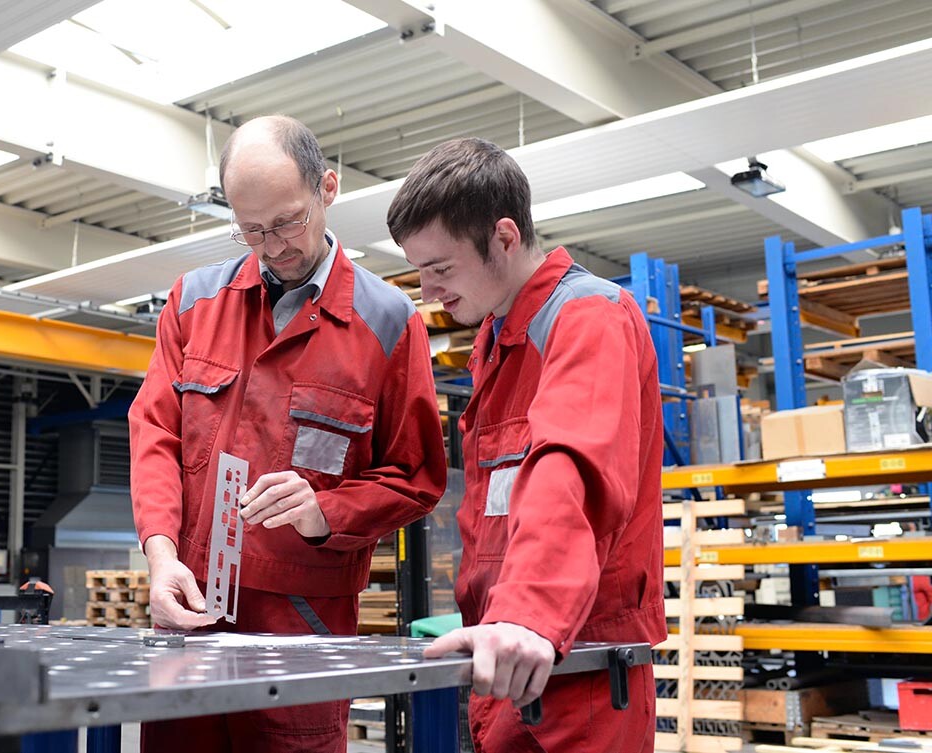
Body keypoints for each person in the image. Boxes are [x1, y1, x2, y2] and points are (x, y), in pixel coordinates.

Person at [128, 115, 447, 753]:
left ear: (328, 187)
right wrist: (162, 559)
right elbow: (155, 430)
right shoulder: (194, 303)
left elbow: (414, 477)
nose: (272, 246)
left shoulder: (387, 322)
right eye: (251, 229)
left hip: (304, 621)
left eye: (287, 221)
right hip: (193, 610)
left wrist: (323, 510)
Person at [385, 137, 666, 753]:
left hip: (578, 672)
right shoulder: (497, 339)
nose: (428, 293)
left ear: (505, 238)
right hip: (509, 660)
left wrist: (527, 613)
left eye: (440, 268)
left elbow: (571, 469)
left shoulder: (588, 317)